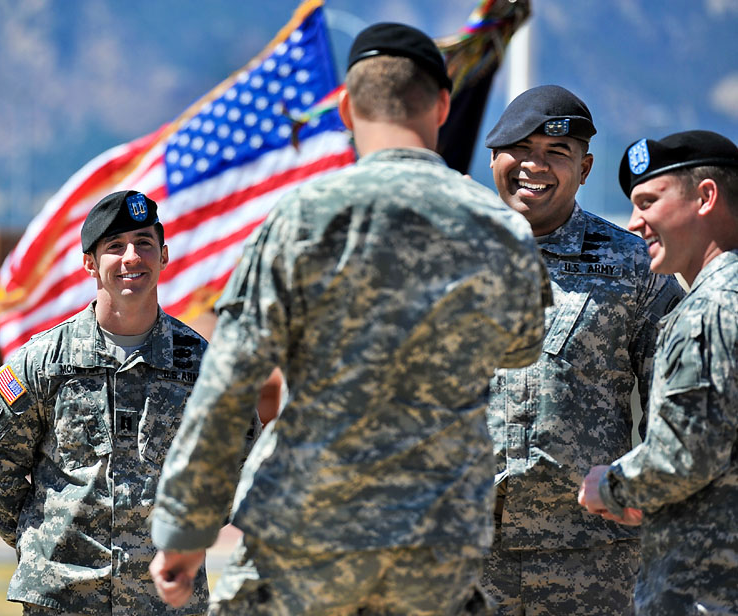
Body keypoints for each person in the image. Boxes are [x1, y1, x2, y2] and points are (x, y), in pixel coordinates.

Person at [148, 22, 551, 615]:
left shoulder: (304, 218)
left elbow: (229, 383)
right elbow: (522, 349)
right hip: (436, 545)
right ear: (442, 105)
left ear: (343, 107)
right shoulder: (500, 228)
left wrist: (184, 531)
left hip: (308, 535)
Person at [480, 85, 686, 615]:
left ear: (585, 168)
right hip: (462, 552)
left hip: (591, 558)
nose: (535, 166)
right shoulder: (448, 254)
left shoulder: (635, 264)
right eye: (521, 150)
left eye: (556, 153)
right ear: (494, 157)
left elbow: (673, 403)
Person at [0, 190, 211, 615]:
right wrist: (39, 538)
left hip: (164, 601)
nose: (132, 256)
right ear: (89, 263)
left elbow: (236, 463)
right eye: (114, 246)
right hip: (62, 598)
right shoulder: (44, 361)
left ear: (164, 255)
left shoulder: (200, 365)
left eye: (144, 243)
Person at [579, 130, 738, 614]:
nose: (634, 222)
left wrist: (610, 485)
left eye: (649, 202)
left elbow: (682, 456)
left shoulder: (710, 309)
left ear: (706, 197)